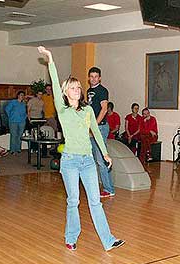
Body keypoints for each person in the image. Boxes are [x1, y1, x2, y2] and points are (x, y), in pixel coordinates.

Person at [38, 46, 124, 252]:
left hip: (87, 161)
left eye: (79, 87)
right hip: (70, 161)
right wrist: (50, 59)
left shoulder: (87, 110)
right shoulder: (62, 109)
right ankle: (71, 236)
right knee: (73, 201)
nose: (78, 90)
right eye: (74, 88)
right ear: (66, 92)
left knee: (96, 202)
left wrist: (104, 153)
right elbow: (54, 82)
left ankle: (108, 240)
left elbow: (95, 130)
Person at [87, 66, 115, 198]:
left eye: (96, 77)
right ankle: (98, 185)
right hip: (92, 128)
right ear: (89, 78)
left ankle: (109, 189)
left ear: (100, 78)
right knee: (92, 159)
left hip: (100, 127)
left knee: (101, 159)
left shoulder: (103, 91)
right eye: (91, 76)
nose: (93, 79)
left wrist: (94, 126)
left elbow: (104, 110)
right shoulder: (88, 91)